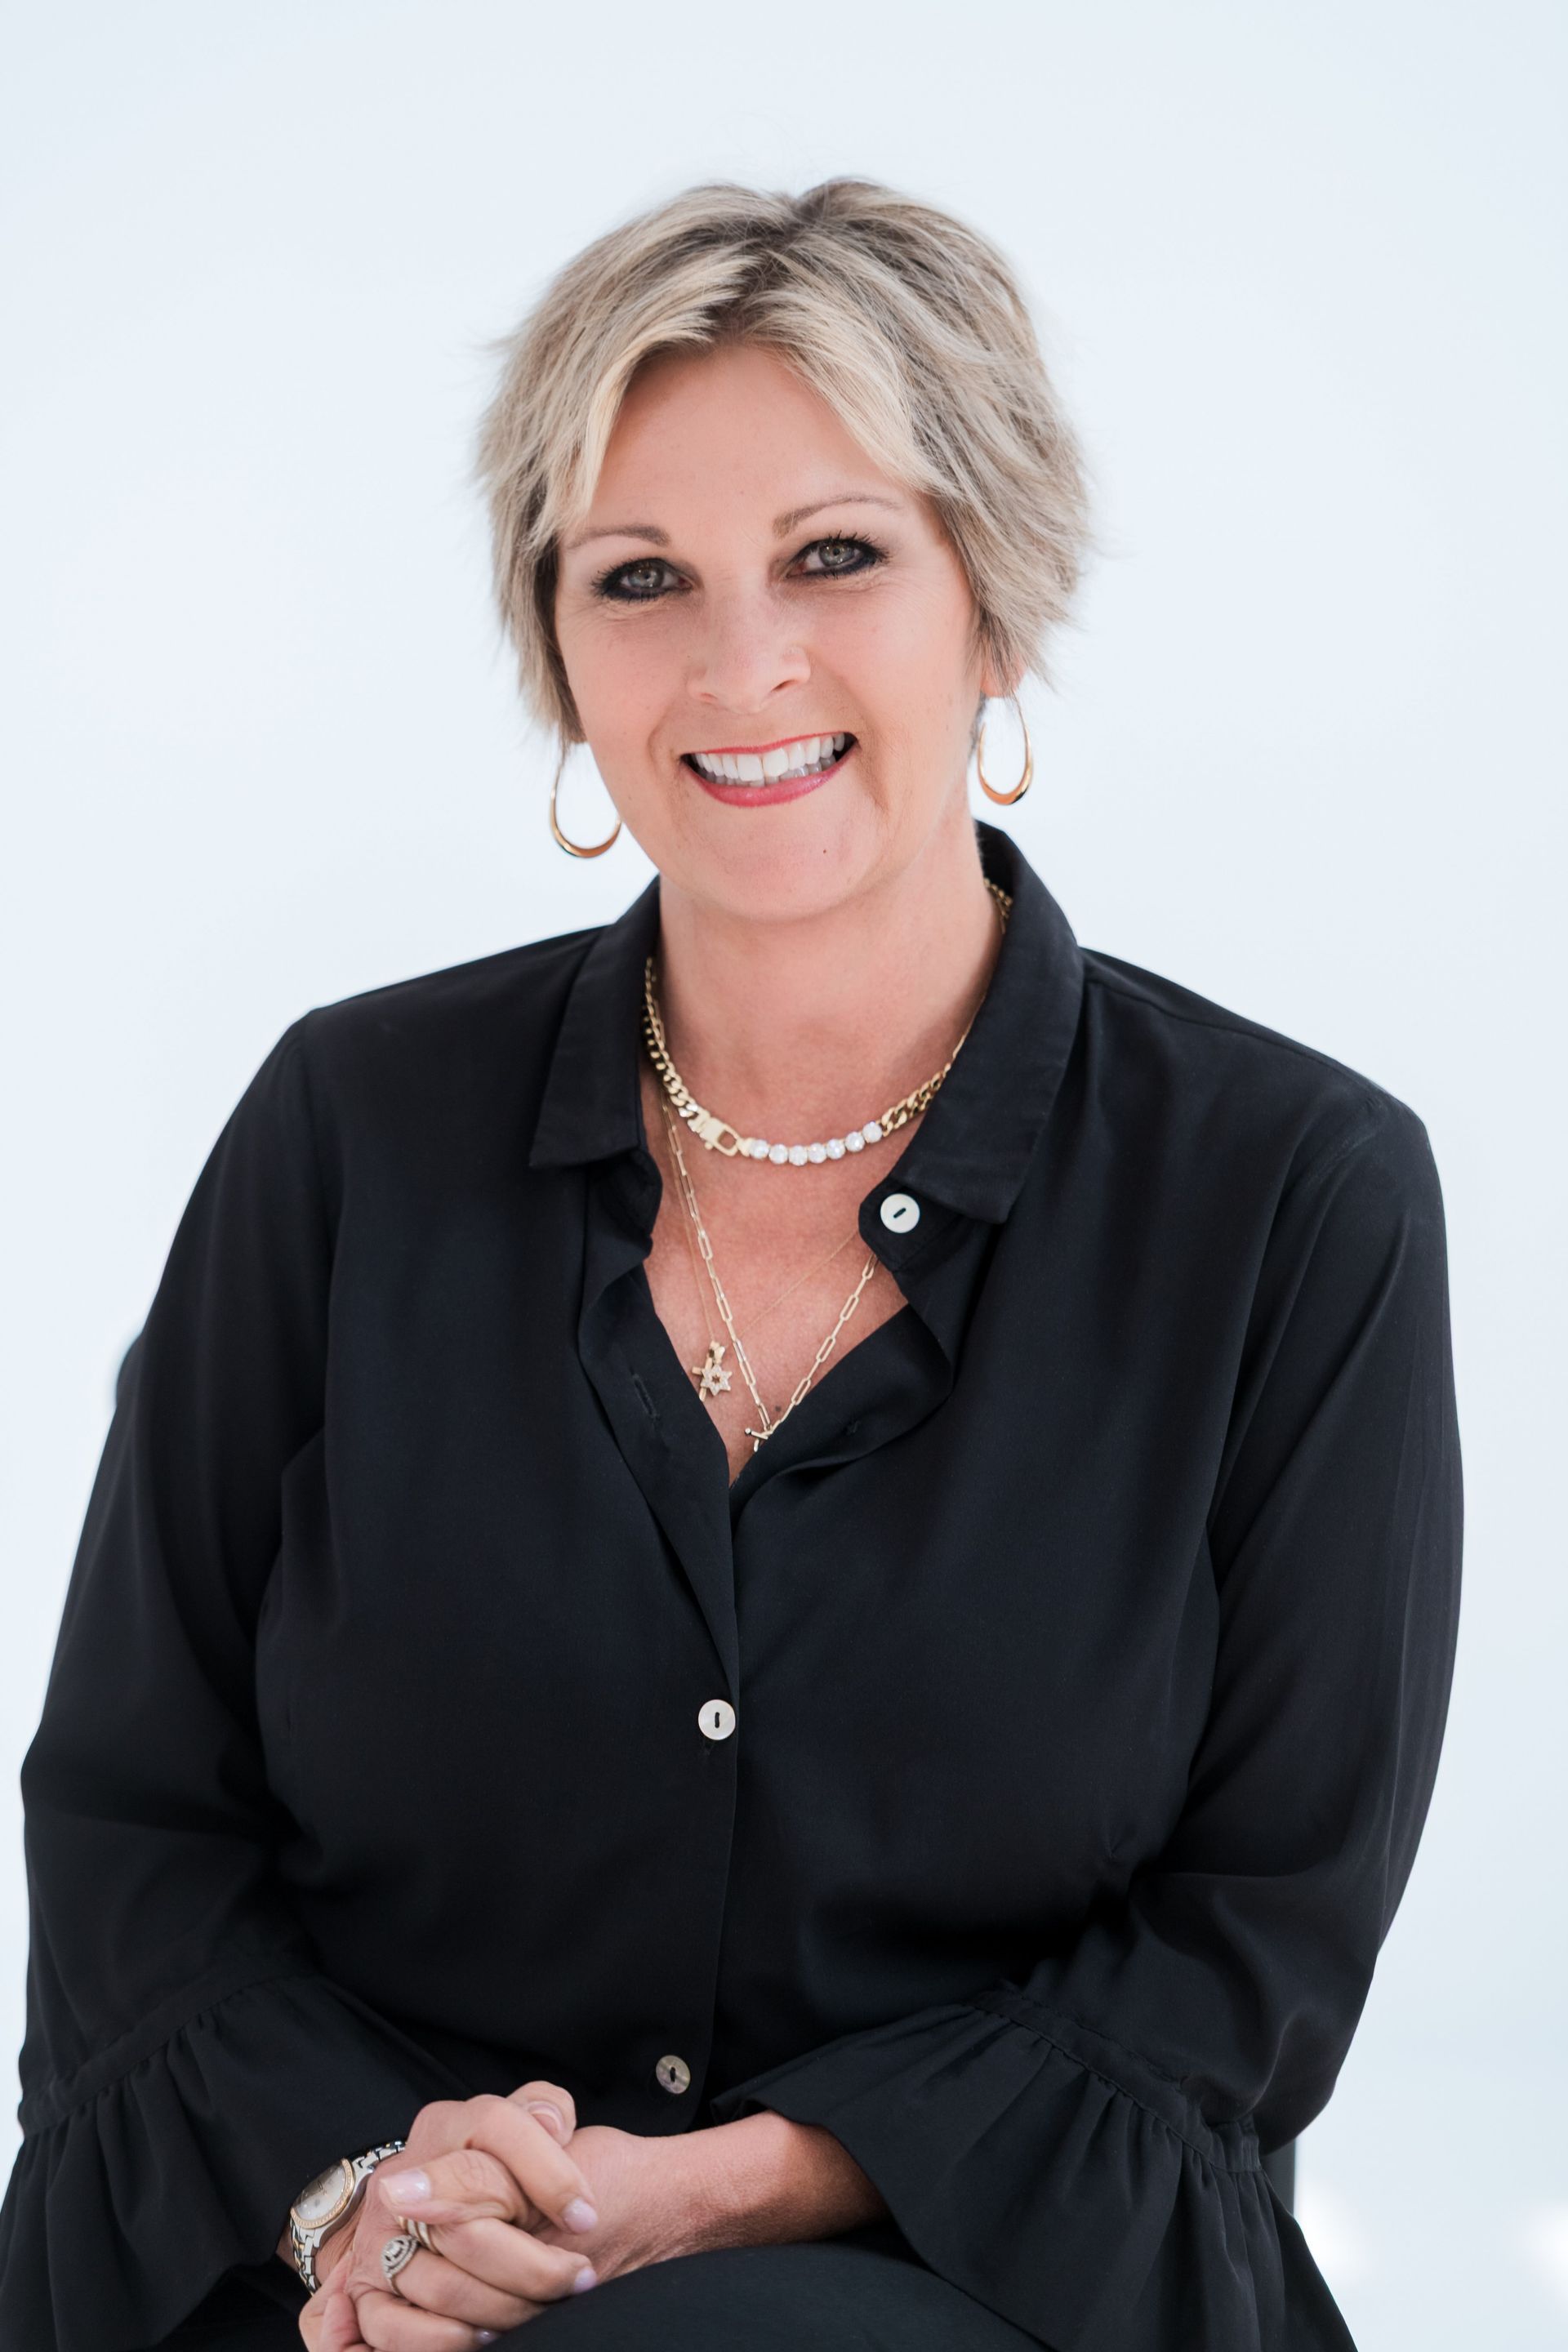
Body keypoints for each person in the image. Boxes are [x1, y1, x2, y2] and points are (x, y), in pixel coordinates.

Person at [0, 179, 1461, 2352]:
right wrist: (362, 2196)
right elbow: (135, 1817)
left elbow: (1250, 1952)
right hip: (336, 2259)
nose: (739, 662)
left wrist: (720, 2195)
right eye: (641, 577)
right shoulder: (345, 1129)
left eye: (835, 555)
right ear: (559, 649)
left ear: (994, 597)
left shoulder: (1293, 1200)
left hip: (971, 2273)